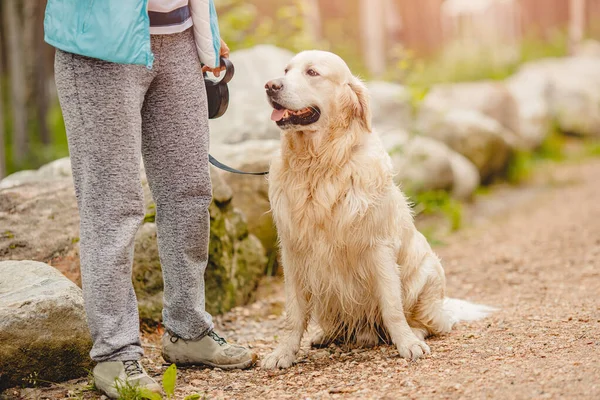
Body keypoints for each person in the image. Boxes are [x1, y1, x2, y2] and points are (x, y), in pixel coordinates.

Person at [44, 0, 257, 398]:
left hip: (177, 43)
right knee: (113, 204)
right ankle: (114, 351)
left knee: (189, 192)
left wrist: (204, 31)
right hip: (100, 48)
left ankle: (188, 330)